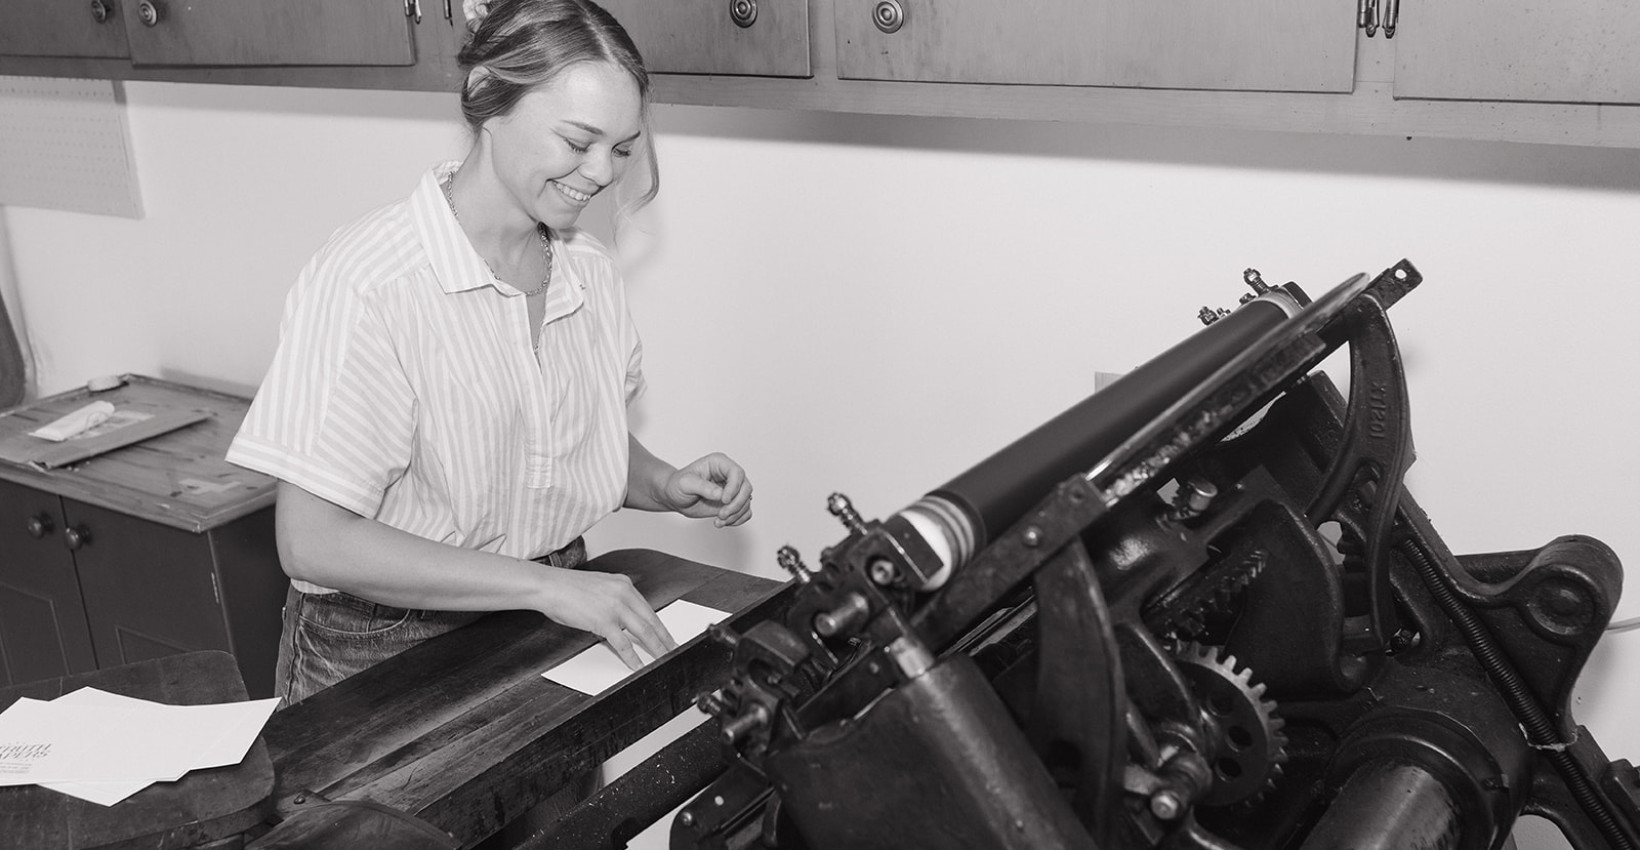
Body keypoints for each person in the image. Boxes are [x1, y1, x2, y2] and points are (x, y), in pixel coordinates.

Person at [226, 0, 752, 708]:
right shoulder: (373, 281)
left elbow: (552, 444)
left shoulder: (588, 271)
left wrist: (664, 484)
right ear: (486, 98)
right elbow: (313, 541)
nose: (602, 171)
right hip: (381, 644)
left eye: (623, 149)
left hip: (548, 611)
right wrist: (546, 586)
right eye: (578, 140)